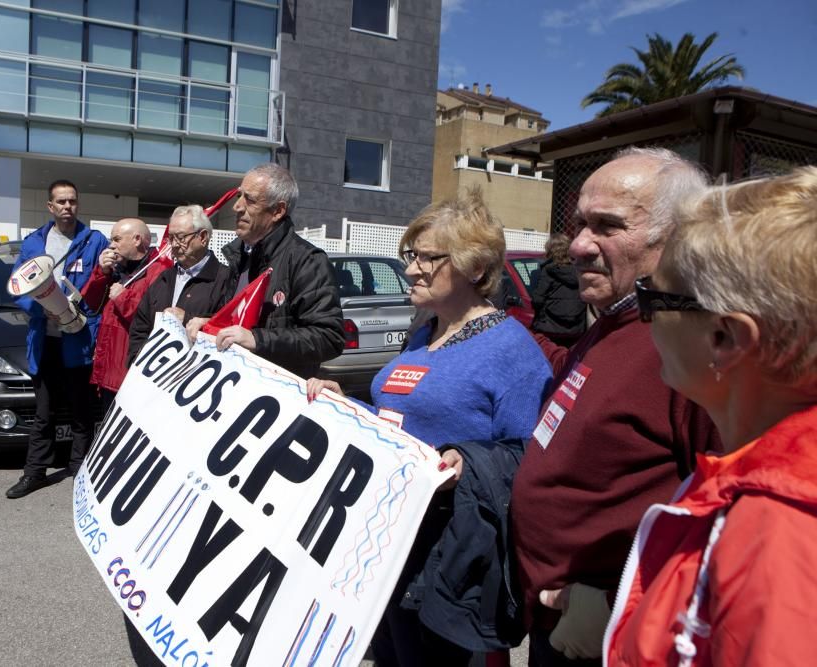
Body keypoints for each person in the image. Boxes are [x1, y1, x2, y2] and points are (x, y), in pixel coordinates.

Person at [307, 190, 553, 666]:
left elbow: (531, 456)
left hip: (453, 558)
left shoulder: (513, 352)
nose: (411, 268)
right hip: (391, 540)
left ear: (475, 268)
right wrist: (351, 405)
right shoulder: (426, 331)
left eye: (426, 257)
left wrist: (470, 459)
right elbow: (401, 416)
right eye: (409, 254)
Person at [510, 147, 722, 666]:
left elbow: (736, 525)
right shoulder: (613, 321)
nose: (580, 244)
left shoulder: (689, 346)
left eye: (608, 225)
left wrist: (620, 605)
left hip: (614, 636)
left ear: (677, 235)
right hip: (559, 625)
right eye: (581, 223)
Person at [604, 167, 817, 666]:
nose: (645, 318)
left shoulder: (779, 536)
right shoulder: (753, 486)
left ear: (724, 338)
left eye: (653, 298)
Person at [186, 163, 344, 378]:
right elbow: (238, 321)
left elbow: (328, 337)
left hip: (275, 398)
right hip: (233, 386)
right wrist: (211, 325)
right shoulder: (239, 257)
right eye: (238, 196)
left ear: (278, 211)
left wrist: (257, 340)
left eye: (249, 200)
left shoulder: (307, 261)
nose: (237, 207)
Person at [6, 180, 109, 500]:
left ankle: (80, 469)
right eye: (61, 202)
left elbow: (105, 287)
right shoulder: (34, 242)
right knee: (44, 413)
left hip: (78, 339)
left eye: (72, 201)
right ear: (50, 207)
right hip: (45, 341)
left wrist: (107, 273)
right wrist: (40, 310)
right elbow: (19, 286)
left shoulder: (94, 241)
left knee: (81, 410)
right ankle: (34, 472)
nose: (68, 207)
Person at [127, 205, 233, 365]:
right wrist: (138, 361)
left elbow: (230, 329)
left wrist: (187, 319)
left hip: (197, 379)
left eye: (181, 237)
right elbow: (139, 327)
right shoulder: (164, 278)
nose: (175, 245)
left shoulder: (226, 278)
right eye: (171, 238)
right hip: (154, 378)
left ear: (203, 237)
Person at [80, 217, 161, 408]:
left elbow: (151, 319)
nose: (112, 245)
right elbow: (91, 303)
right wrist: (102, 272)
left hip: (130, 373)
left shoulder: (157, 270)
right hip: (109, 369)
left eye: (117, 239)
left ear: (137, 239)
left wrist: (122, 297)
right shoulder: (118, 269)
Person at [530, 233, 586, 347]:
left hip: (550, 328)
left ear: (550, 250)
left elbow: (538, 299)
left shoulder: (548, 270)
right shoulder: (580, 270)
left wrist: (540, 318)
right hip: (576, 329)